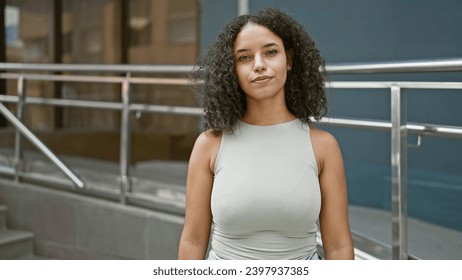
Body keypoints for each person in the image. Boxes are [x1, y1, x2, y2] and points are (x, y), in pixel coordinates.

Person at [178, 7, 354, 260]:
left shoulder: (323, 146)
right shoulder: (209, 145)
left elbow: (338, 246)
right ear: (232, 70)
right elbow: (192, 241)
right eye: (244, 58)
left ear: (289, 59)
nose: (259, 65)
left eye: (271, 52)